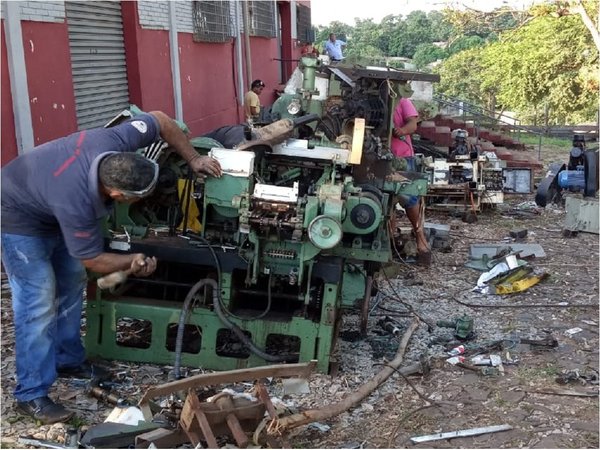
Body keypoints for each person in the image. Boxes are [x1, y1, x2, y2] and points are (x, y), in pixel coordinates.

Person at [0, 111, 222, 424]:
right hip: (17, 216)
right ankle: (31, 394)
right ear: (116, 194)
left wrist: (194, 158)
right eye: (139, 198)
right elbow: (92, 259)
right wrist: (132, 261)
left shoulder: (116, 139)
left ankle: (67, 360)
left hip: (45, 199)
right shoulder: (75, 199)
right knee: (37, 301)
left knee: (72, 280)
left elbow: (159, 119)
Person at [390, 85, 431, 267]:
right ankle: (390, 241)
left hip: (402, 156)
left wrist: (401, 131)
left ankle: (421, 239)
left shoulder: (403, 101)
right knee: (384, 199)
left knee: (409, 198)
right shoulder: (374, 102)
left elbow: (413, 124)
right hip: (380, 155)